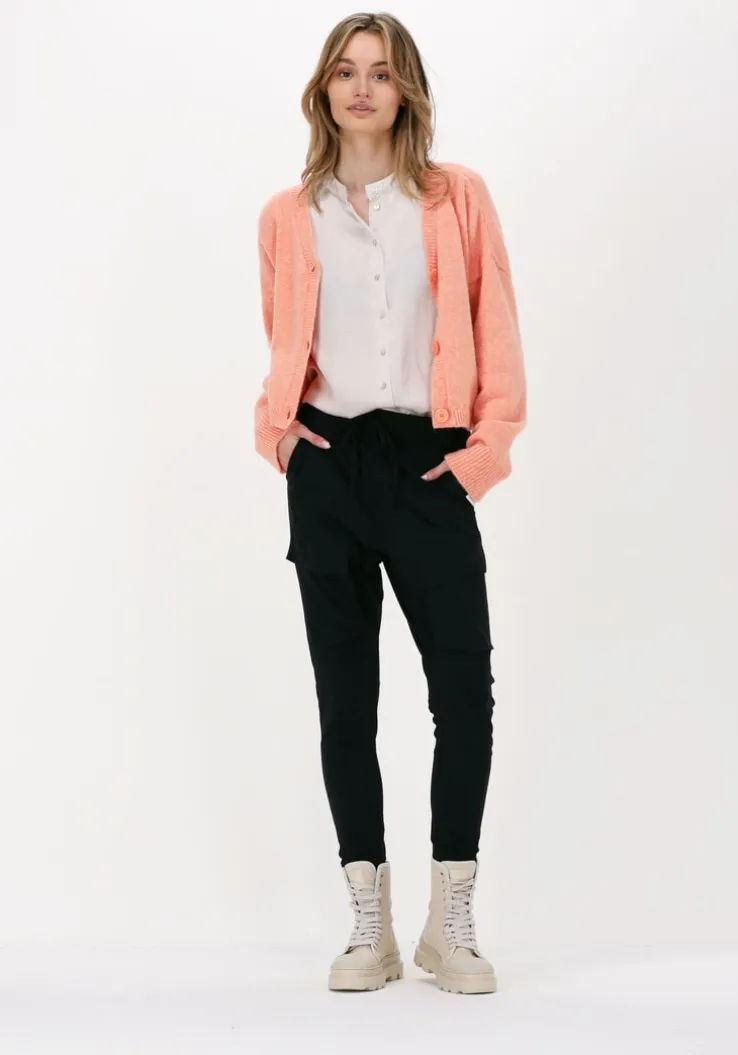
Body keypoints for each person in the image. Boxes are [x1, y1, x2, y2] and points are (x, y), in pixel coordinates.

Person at [254, 12, 526, 994]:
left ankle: (451, 922)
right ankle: (367, 923)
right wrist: (280, 436)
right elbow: (284, 345)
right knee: (346, 699)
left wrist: (481, 453)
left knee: (464, 695)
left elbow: (496, 326)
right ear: (323, 91)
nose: (361, 87)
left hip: (427, 461)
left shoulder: (457, 199)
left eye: (379, 71)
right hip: (328, 466)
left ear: (405, 88)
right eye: (345, 71)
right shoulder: (288, 215)